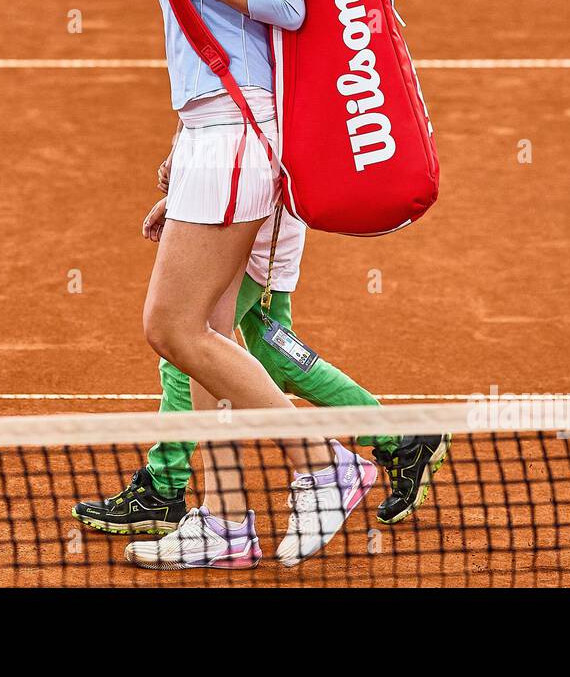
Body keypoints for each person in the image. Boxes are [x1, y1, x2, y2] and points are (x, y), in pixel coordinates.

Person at [80, 0, 376, 568]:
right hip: (217, 134)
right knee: (209, 329)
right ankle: (227, 520)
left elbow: (287, 3)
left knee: (170, 327)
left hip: (240, 140)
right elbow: (216, 52)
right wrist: (183, 155)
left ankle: (326, 461)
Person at [71, 191, 451, 548]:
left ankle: (162, 488)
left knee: (186, 351)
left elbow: (258, 140)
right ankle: (403, 439)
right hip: (260, 225)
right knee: (275, 359)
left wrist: (189, 196)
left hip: (246, 228)